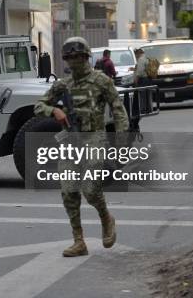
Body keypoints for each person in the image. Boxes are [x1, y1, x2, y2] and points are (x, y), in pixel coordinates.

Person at [34, 37, 129, 257]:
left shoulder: (102, 81)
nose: (74, 61)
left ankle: (106, 217)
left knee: (90, 188)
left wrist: (122, 144)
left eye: (78, 56)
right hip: (70, 141)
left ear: (87, 57)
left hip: (95, 138)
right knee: (68, 191)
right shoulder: (63, 85)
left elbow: (119, 112)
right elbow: (39, 105)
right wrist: (53, 111)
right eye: (69, 57)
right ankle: (79, 241)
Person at [130, 48, 150, 130]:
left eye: (135, 54)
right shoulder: (146, 58)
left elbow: (140, 72)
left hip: (142, 80)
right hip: (147, 80)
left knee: (140, 96)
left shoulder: (141, 59)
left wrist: (136, 81)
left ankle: (142, 109)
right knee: (145, 95)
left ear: (138, 53)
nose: (136, 56)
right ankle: (146, 108)